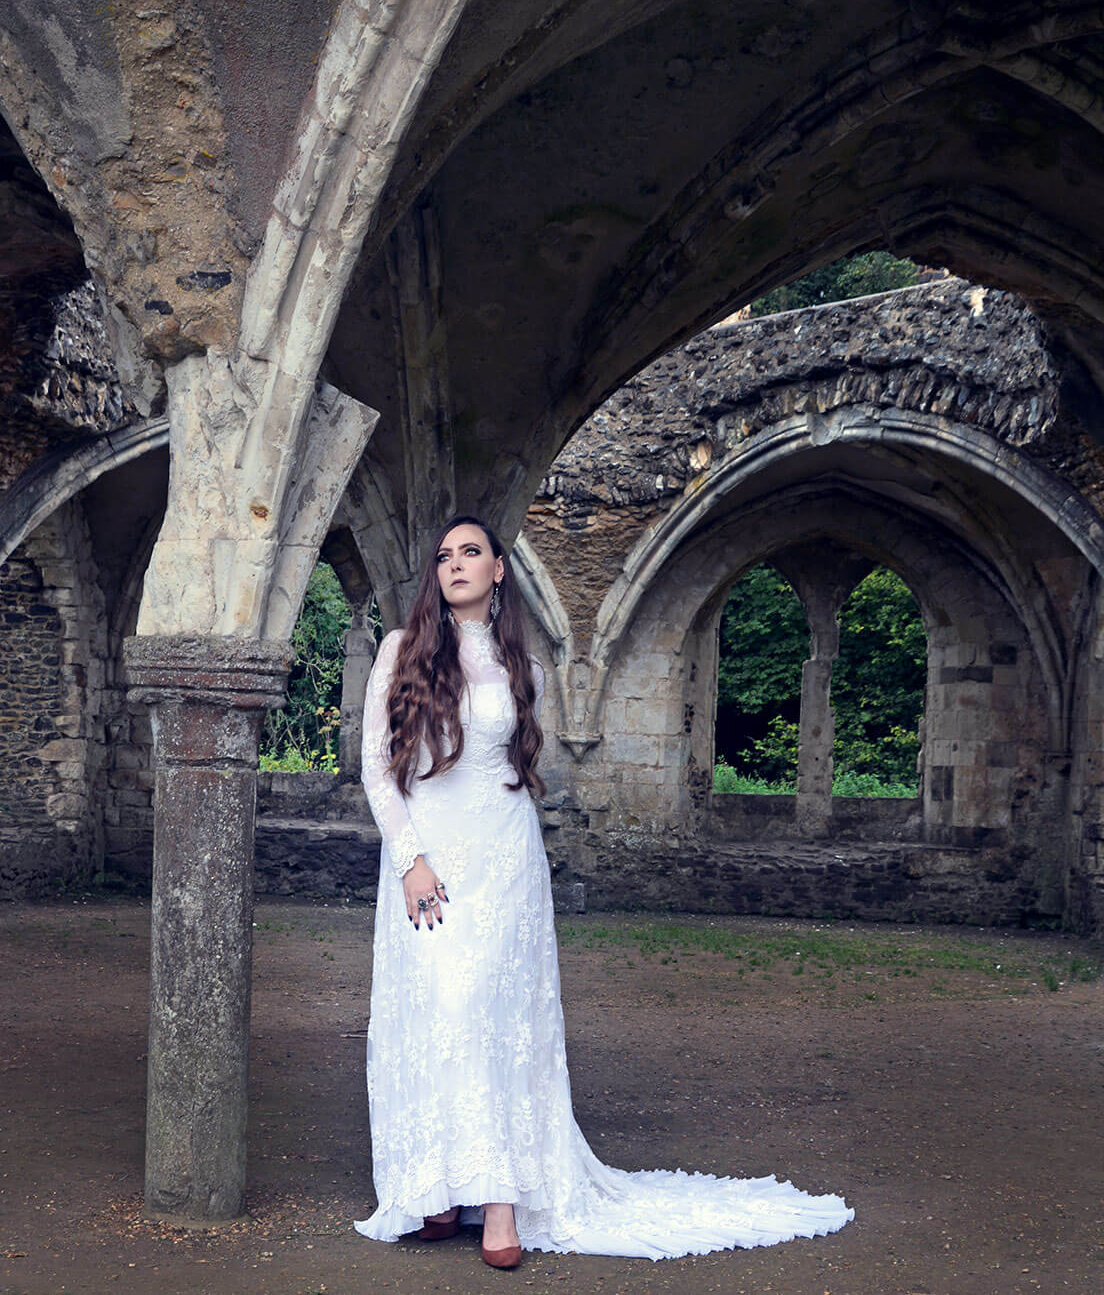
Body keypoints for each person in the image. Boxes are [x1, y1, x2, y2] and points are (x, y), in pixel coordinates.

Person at [353, 516, 853, 1268]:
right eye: (445, 555)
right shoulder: (401, 649)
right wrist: (409, 860)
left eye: (471, 552)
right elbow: (375, 767)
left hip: (505, 861)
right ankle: (436, 1186)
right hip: (427, 861)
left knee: (496, 1016)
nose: (455, 564)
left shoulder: (525, 665)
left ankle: (500, 1200)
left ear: (497, 570)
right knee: (439, 1010)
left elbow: (513, 769)